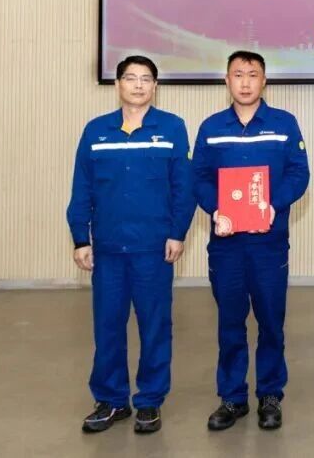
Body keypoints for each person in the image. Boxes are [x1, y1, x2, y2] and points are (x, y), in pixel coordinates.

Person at [66, 55, 196, 434]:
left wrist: (177, 232)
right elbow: (82, 188)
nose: (138, 85)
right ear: (118, 84)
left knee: (155, 326)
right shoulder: (96, 131)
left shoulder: (172, 128)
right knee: (108, 326)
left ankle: (150, 401)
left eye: (146, 79)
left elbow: (183, 188)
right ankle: (111, 400)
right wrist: (80, 237)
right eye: (130, 78)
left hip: (153, 249)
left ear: (155, 86)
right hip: (108, 250)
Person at [192, 51, 310, 431]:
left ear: (264, 81)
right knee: (230, 322)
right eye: (238, 74)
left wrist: (274, 205)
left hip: (268, 242)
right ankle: (232, 397)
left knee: (271, 321)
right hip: (226, 244)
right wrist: (216, 209)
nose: (245, 82)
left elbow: (299, 173)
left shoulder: (284, 124)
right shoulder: (211, 127)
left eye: (253, 74)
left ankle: (270, 395)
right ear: (227, 80)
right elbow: (199, 177)